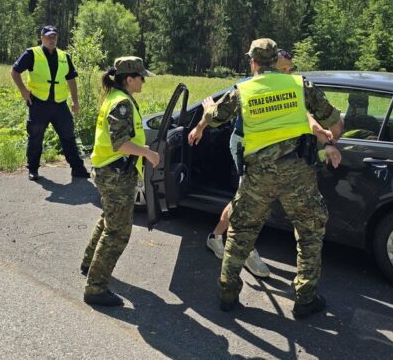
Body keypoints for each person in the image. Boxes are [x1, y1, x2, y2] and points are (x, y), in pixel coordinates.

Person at [187, 38, 343, 320]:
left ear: (253, 62)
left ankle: (227, 294)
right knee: (309, 234)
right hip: (297, 173)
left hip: (258, 175)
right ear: (275, 61)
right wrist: (329, 143)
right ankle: (305, 299)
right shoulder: (299, 85)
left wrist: (209, 108)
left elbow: (216, 118)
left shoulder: (243, 90)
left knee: (241, 233)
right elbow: (332, 120)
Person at [81, 56, 160, 307]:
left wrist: (141, 149)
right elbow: (120, 144)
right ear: (129, 79)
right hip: (115, 174)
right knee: (118, 231)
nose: (144, 82)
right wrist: (147, 153)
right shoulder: (122, 103)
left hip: (110, 170)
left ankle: (89, 263)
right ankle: (95, 288)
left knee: (108, 219)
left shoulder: (116, 98)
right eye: (141, 77)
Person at [11, 25, 90, 181]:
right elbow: (14, 71)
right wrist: (23, 91)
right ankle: (33, 169)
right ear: (42, 38)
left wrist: (75, 101)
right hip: (39, 103)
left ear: (57, 38)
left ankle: (77, 168)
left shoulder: (64, 56)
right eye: (48, 36)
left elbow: (71, 80)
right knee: (35, 137)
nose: (51, 39)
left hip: (60, 104)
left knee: (68, 136)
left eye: (54, 36)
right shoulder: (32, 54)